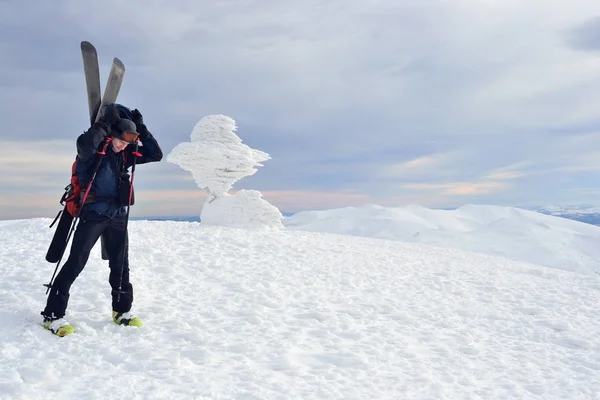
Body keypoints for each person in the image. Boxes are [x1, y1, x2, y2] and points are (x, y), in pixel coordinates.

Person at [41, 103, 163, 336]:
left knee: (120, 263)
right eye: (121, 141)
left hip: (118, 215)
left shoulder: (124, 156)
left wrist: (142, 128)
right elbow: (85, 144)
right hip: (93, 215)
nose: (124, 146)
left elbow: (155, 154)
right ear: (112, 135)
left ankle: (121, 311)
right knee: (76, 262)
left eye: (128, 143)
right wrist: (104, 123)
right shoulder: (93, 153)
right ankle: (52, 315)